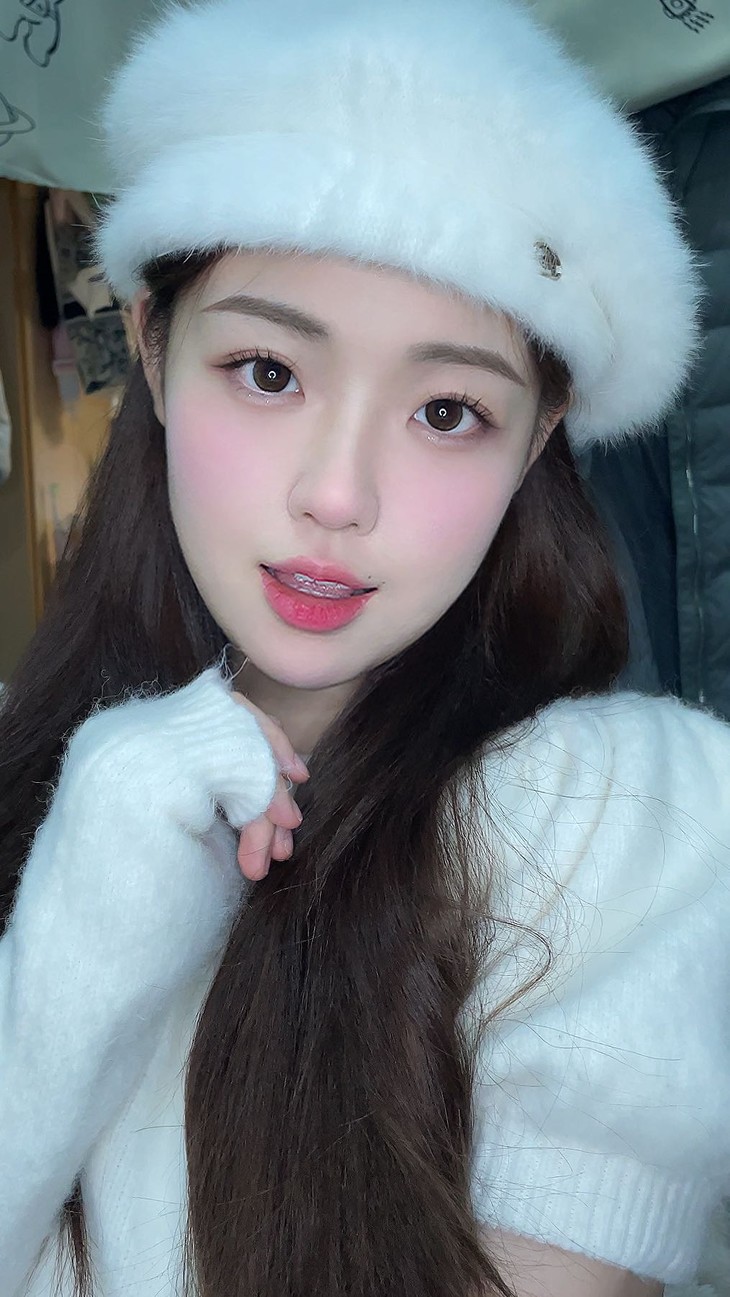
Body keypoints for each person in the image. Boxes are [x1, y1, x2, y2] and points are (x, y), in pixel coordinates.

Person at [0, 0, 728, 1294]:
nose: (337, 495)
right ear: (154, 350)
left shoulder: (622, 822)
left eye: (446, 410)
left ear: (537, 436)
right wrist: (78, 951)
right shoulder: (38, 769)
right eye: (269, 371)